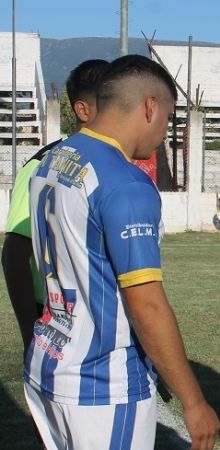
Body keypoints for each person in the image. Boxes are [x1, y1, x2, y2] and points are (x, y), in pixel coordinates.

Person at [25, 54, 219, 450]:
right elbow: (146, 304)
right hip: (101, 385)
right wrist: (194, 402)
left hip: (49, 361)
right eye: (168, 118)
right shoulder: (124, 183)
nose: (164, 132)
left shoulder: (55, 158)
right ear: (150, 106)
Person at [3, 59, 108, 355]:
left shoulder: (112, 167)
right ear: (83, 110)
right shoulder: (43, 166)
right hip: (54, 313)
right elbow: (14, 253)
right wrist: (30, 336)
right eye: (110, 104)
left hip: (101, 310)